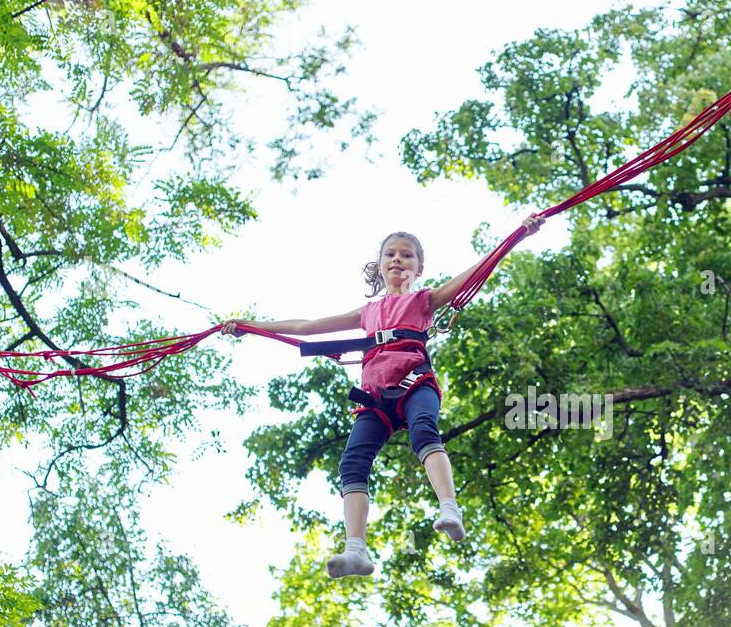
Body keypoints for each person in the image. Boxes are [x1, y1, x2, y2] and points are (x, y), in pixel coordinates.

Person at [221, 216, 546, 577]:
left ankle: (449, 508)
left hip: (414, 384)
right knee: (352, 463)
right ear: (379, 265)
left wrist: (517, 235)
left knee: (425, 430)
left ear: (419, 267)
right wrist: (251, 328)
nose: (397, 260)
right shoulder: (367, 312)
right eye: (390, 254)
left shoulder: (425, 300)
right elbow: (306, 328)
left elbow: (473, 274)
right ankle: (356, 551)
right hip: (374, 400)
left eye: (406, 256)